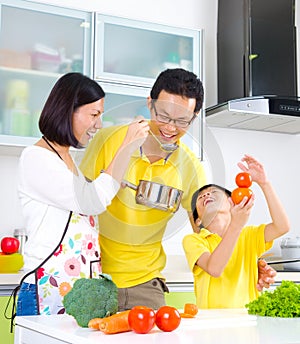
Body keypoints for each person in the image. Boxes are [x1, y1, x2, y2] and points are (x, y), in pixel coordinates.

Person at [80, 69, 277, 311]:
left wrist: (247, 261)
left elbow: (209, 235)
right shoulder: (107, 140)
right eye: (164, 116)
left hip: (146, 284)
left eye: (182, 120)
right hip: (93, 277)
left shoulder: (191, 168)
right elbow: (79, 207)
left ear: (194, 117)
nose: (171, 128)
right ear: (150, 104)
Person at [15, 72, 149, 316]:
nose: (98, 125)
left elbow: (90, 196)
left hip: (76, 292)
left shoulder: (69, 160)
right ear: (68, 110)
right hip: (47, 291)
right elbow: (91, 202)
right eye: (94, 115)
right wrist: (127, 145)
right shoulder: (36, 157)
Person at [182, 155, 290, 309]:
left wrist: (264, 184)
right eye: (200, 197)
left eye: (214, 193)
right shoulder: (194, 241)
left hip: (249, 317)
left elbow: (282, 226)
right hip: (211, 322)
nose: (206, 195)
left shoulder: (249, 235)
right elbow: (214, 269)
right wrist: (236, 225)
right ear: (198, 220)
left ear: (232, 202)